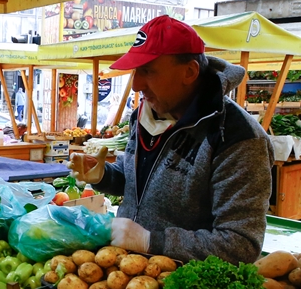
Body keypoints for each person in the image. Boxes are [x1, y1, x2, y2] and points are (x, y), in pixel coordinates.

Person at [67, 15, 272, 264]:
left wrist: (152, 241)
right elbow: (140, 185)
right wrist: (105, 176)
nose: (136, 85)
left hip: (186, 288)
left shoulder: (238, 138)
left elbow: (241, 244)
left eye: (148, 71)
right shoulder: (144, 115)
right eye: (135, 71)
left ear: (189, 72)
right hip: (127, 277)